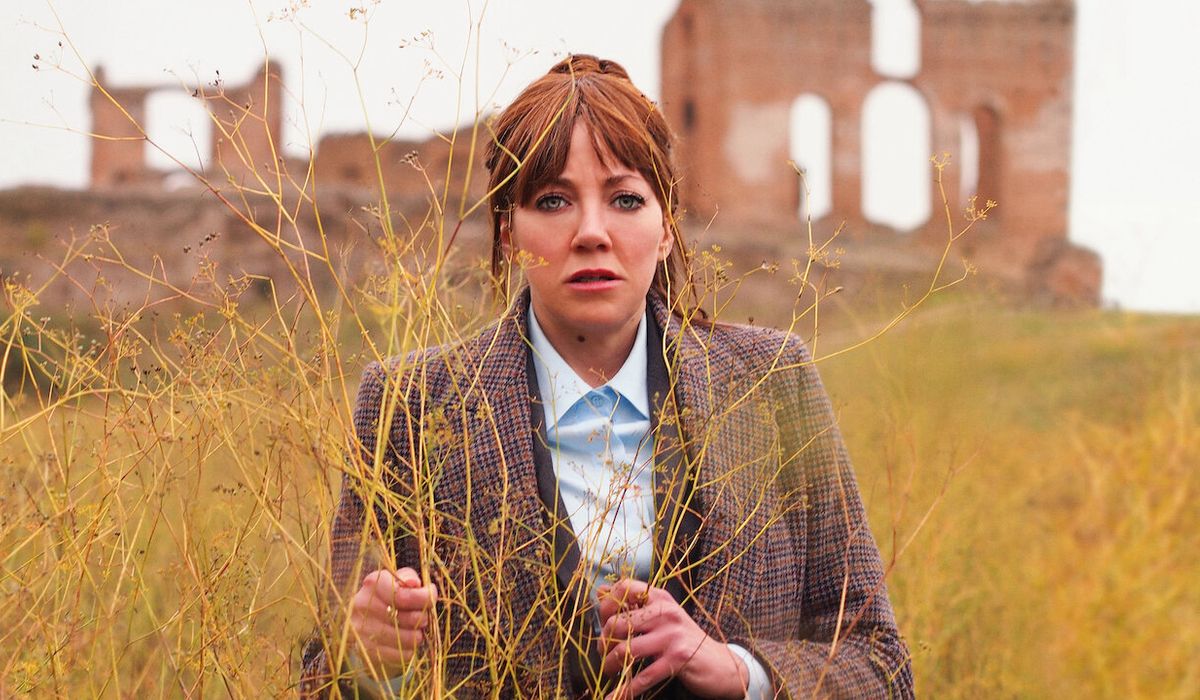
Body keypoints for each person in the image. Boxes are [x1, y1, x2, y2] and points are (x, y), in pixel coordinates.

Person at [300, 54, 913, 699]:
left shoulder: (772, 381)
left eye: (625, 199)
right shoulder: (410, 404)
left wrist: (738, 670)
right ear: (507, 233)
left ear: (666, 228)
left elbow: (881, 665)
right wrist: (362, 658)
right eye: (553, 200)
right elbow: (322, 676)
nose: (591, 233)